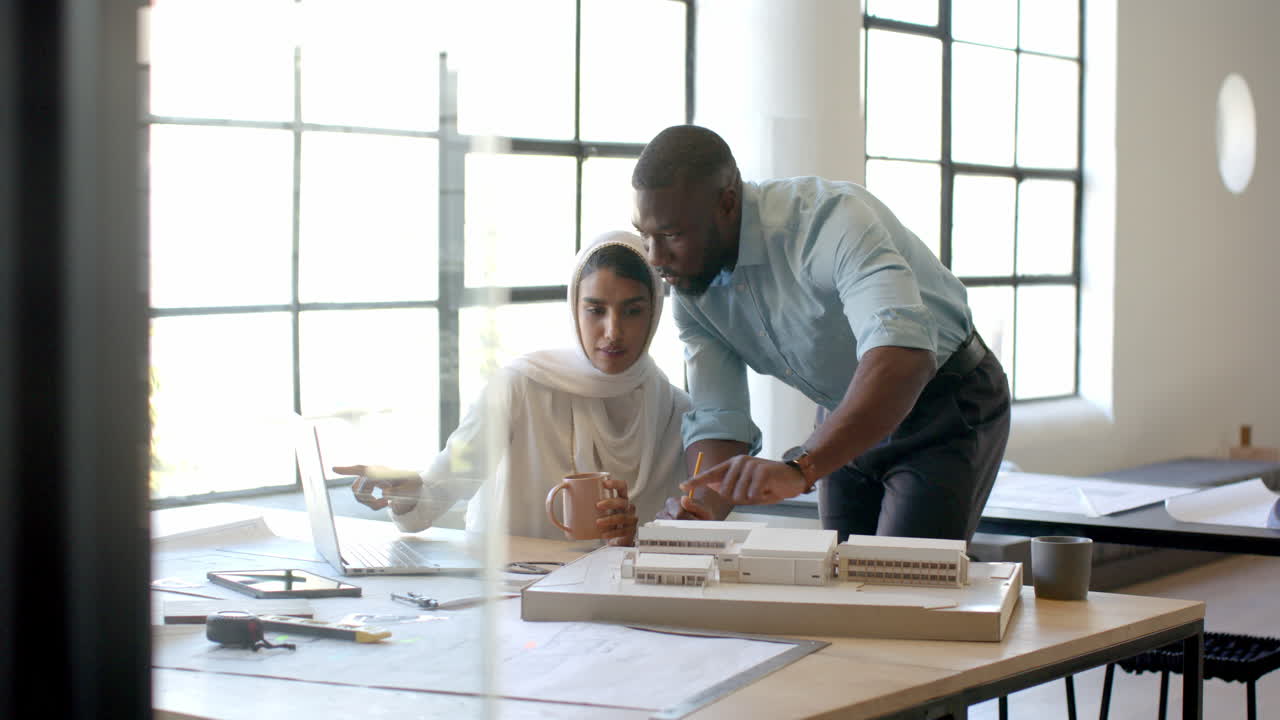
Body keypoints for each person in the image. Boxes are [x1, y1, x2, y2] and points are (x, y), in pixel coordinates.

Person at [632, 125, 1011, 542]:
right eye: (644, 235)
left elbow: (904, 355)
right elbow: (721, 418)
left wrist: (801, 467)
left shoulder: (830, 220)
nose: (655, 257)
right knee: (841, 583)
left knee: (903, 587)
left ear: (727, 202)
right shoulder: (691, 288)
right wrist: (703, 505)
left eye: (671, 235)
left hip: (944, 401)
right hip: (846, 408)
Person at [337, 231, 691, 544]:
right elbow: (452, 472)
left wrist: (634, 539)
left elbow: (686, 540)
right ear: (573, 309)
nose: (612, 331)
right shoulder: (520, 387)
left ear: (655, 312)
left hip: (615, 604)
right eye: (595, 310)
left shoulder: (677, 412)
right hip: (510, 595)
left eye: (632, 311)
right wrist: (410, 489)